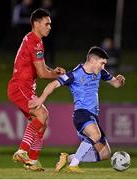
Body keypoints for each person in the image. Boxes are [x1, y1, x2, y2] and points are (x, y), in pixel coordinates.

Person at [28, 46, 125, 172]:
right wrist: (41, 100)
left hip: (92, 116)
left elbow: (116, 84)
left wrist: (120, 80)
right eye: (102, 63)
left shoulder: (100, 72)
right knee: (96, 134)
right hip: (82, 114)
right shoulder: (75, 74)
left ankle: (68, 158)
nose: (103, 67)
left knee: (105, 154)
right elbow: (53, 84)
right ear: (92, 61)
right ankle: (73, 165)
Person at [7, 8, 65, 171]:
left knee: (42, 123)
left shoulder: (35, 41)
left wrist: (53, 72)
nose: (49, 27)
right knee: (42, 114)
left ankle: (32, 161)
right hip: (20, 87)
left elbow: (41, 67)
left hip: (25, 87)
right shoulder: (34, 42)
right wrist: (59, 77)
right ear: (36, 23)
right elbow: (41, 73)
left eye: (50, 24)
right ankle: (22, 150)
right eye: (47, 24)